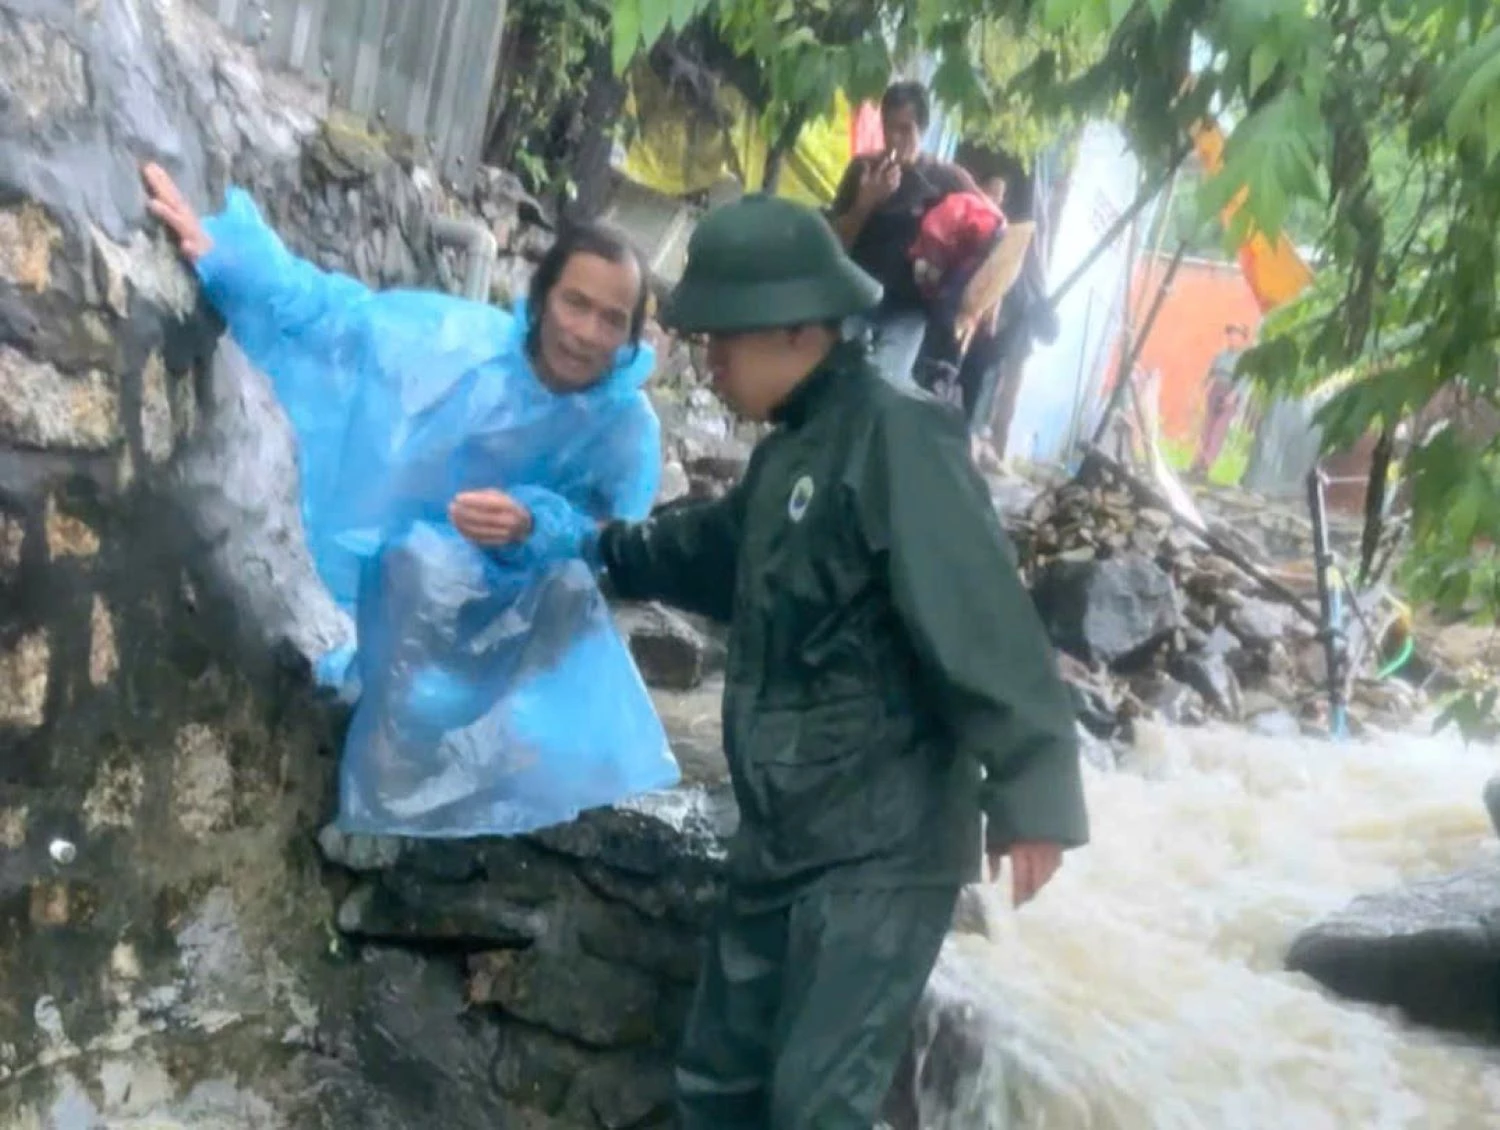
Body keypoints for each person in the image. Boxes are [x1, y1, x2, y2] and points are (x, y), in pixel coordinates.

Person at [486, 193, 1090, 1128]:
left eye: (722, 342)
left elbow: (980, 615)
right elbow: (708, 553)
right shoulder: (791, 458)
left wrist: (1034, 787)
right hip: (785, 833)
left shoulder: (896, 433)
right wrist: (584, 541)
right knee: (719, 1081)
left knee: (817, 1106)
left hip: (879, 850)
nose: (709, 363)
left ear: (798, 330)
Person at [141, 163, 678, 837]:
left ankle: (514, 767)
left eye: (613, 320)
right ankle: (396, 780)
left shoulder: (625, 429)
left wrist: (538, 526)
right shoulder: (459, 347)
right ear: (542, 299)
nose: (588, 333)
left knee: (563, 589)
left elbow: (618, 546)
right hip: (424, 598)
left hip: (537, 614)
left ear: (632, 338)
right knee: (420, 561)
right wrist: (236, 263)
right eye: (577, 304)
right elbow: (342, 322)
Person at [829, 81, 978, 388]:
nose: (896, 140)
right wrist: (865, 203)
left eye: (906, 130)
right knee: (833, 370)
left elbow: (995, 229)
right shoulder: (864, 170)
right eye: (889, 129)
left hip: (909, 311)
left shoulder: (947, 180)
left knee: (883, 386)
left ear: (922, 129)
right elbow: (834, 246)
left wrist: (975, 306)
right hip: (859, 293)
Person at [1192, 322, 1250, 476]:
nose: (1232, 338)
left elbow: (1245, 380)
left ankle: (1206, 464)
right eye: (1230, 335)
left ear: (1243, 339)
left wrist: (1234, 395)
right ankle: (1197, 462)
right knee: (1207, 426)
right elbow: (1212, 371)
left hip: (1230, 392)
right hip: (1216, 389)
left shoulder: (1244, 359)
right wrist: (1203, 385)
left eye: (1236, 335)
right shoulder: (1221, 355)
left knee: (1219, 429)